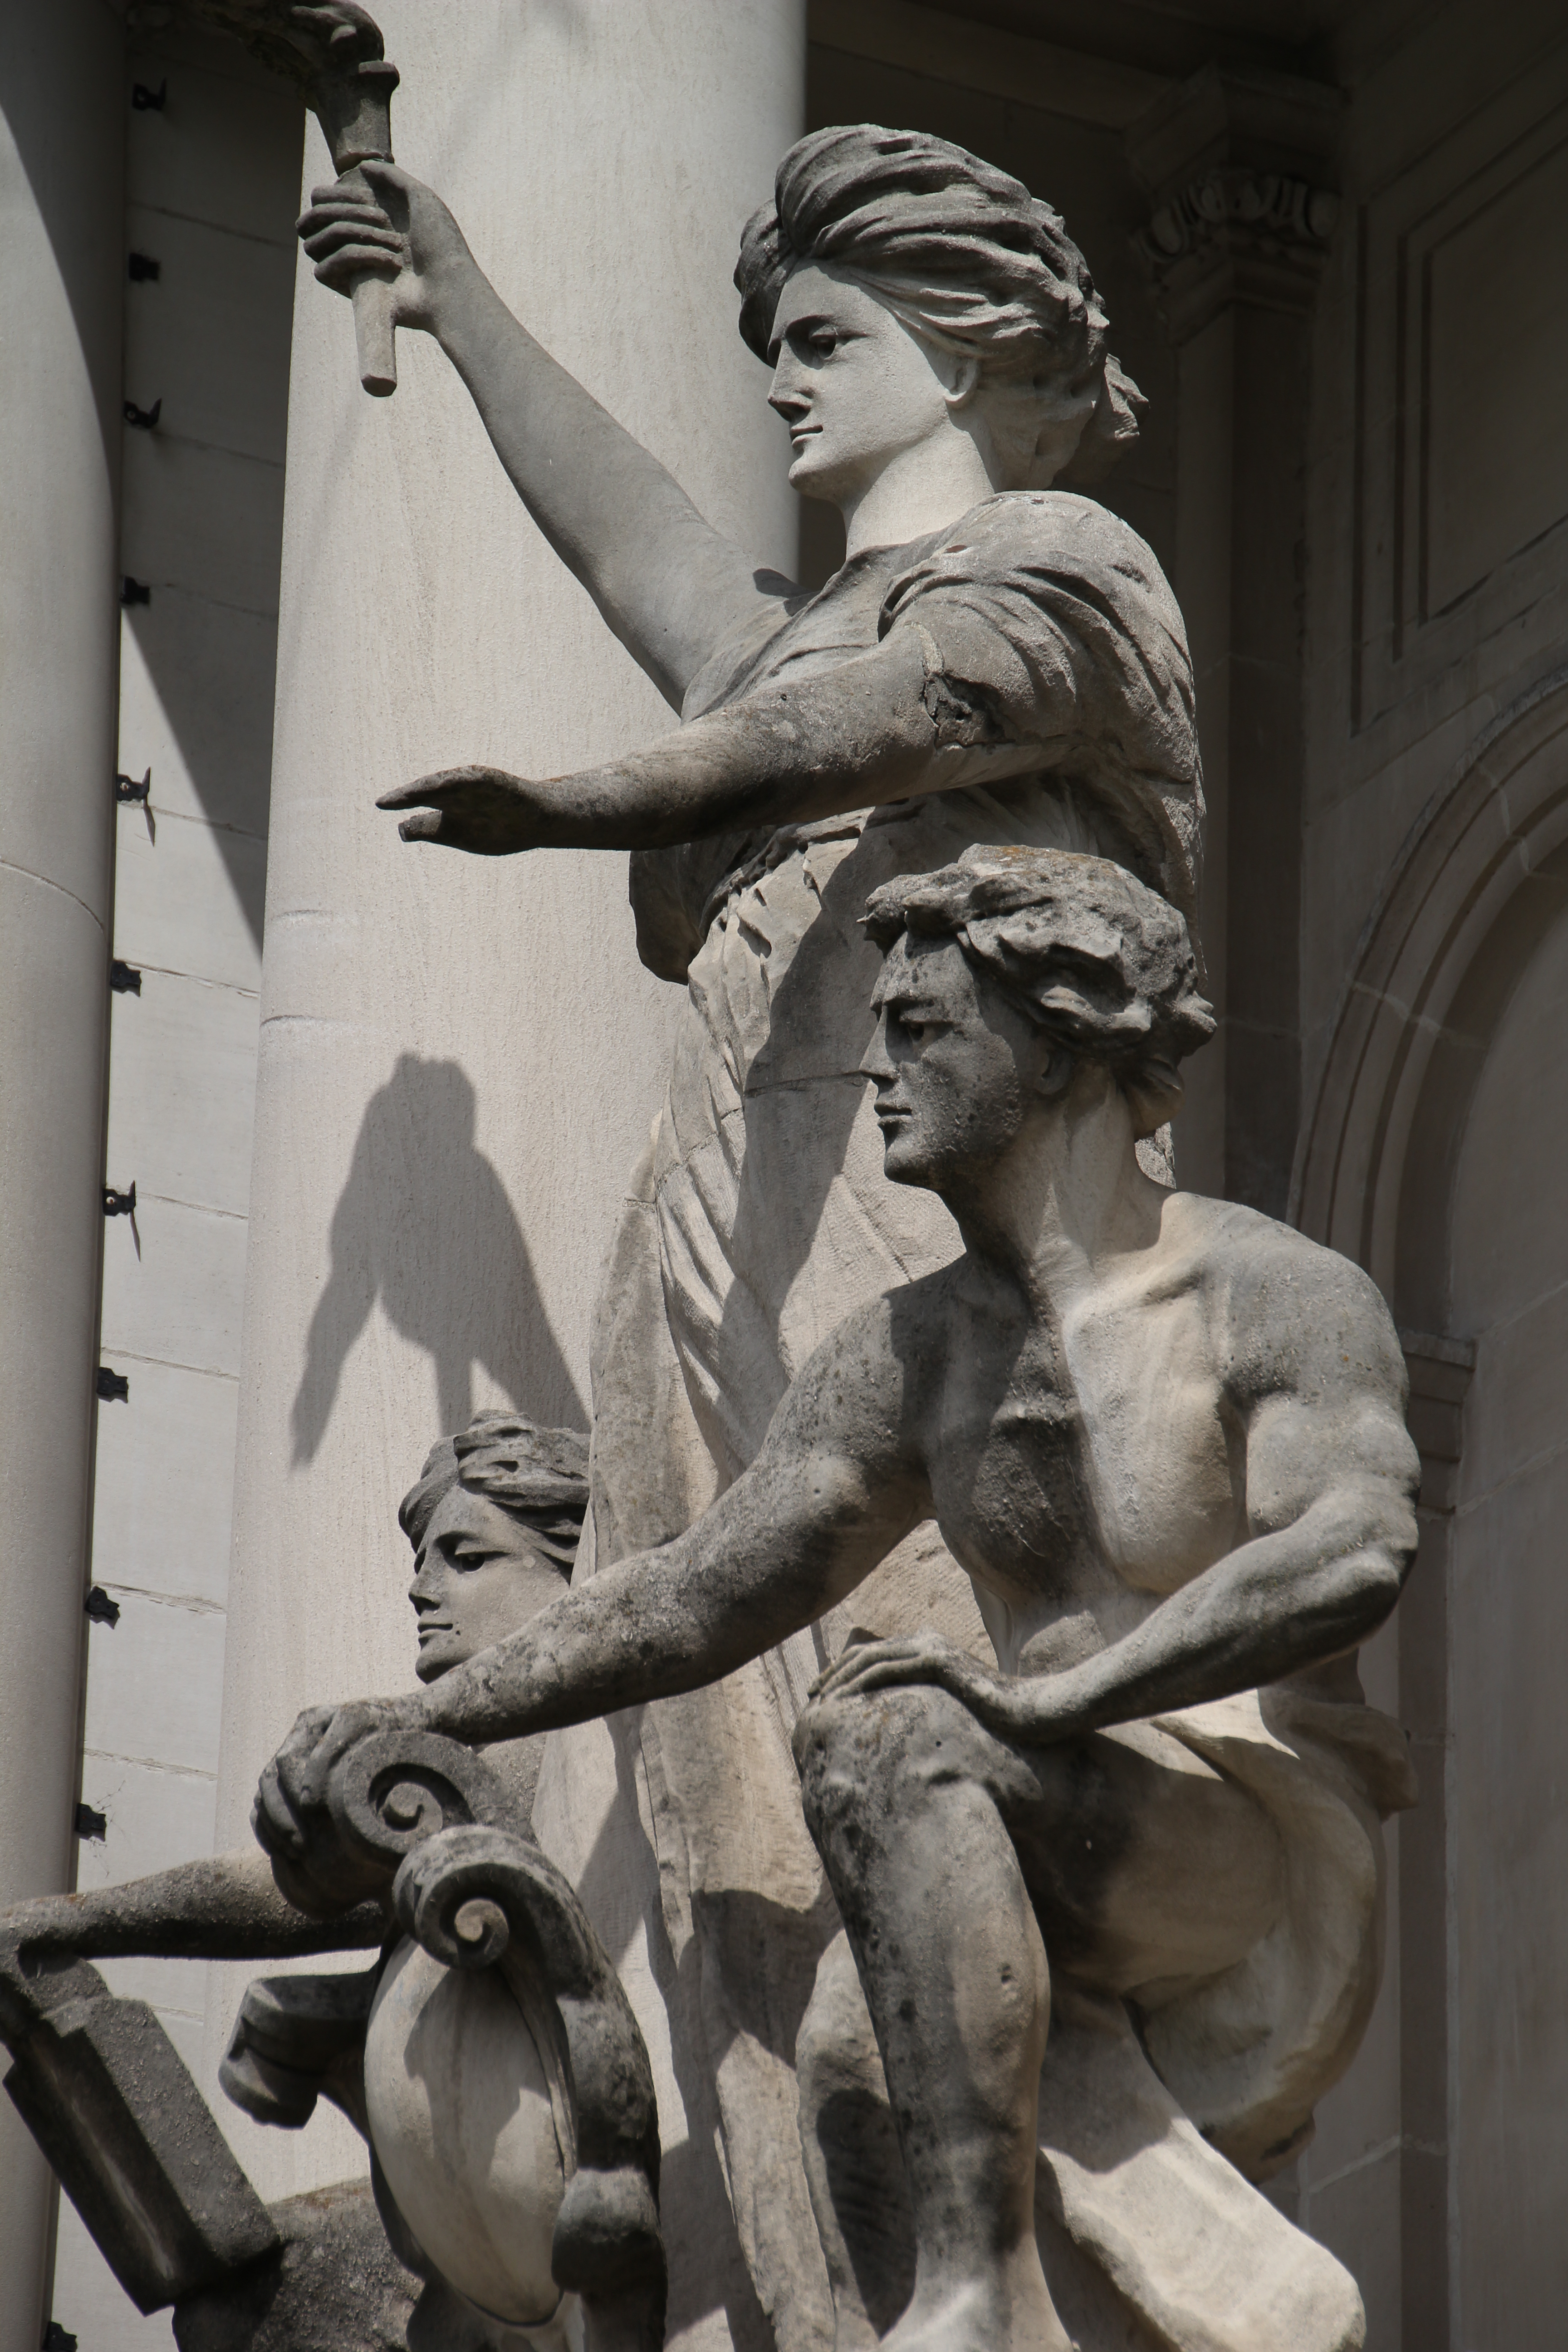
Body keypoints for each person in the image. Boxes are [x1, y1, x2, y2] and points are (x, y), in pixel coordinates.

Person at [297, 131, 1207, 2316]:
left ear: (971, 342)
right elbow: (667, 571)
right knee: (741, 1866)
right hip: (711, 1289)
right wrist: (453, 283)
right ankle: (815, 2306)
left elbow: (890, 710)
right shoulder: (807, 631)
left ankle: (992, 2291)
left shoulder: (1063, 567)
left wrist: (588, 801)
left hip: (922, 1270)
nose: (782, 382)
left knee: (924, 1766)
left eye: (824, 340)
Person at [255, 847, 1419, 2352]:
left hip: (1240, 1829)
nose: (873, 1065)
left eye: (923, 1028)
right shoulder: (914, 1355)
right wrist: (417, 1714)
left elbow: (1354, 1547)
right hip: (1017, 1808)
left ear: (1059, 1041)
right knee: (857, 2071)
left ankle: (978, 2295)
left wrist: (1053, 1699)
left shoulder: (1268, 1296)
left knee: (884, 1734)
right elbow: (688, 1600)